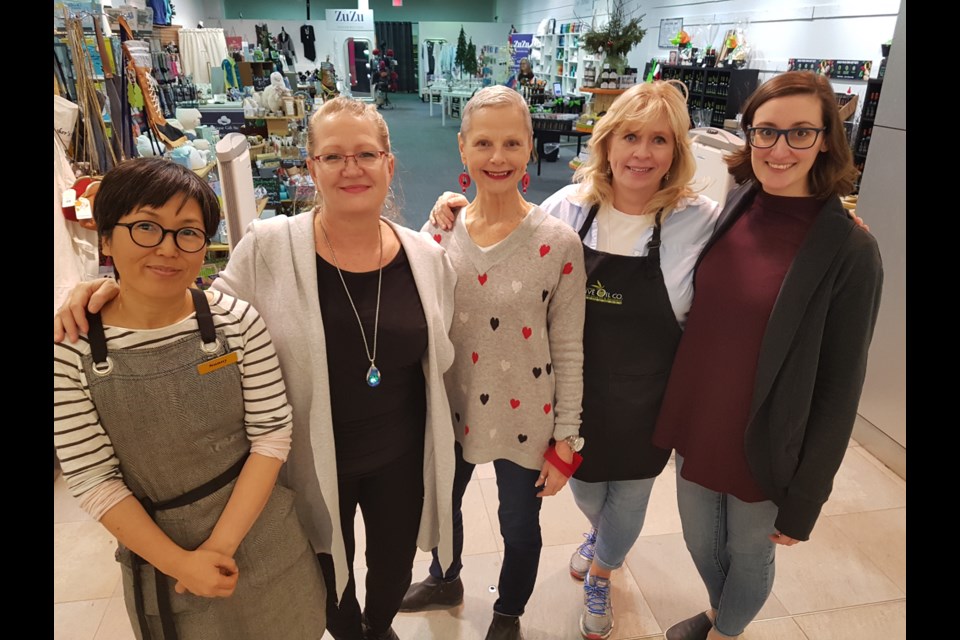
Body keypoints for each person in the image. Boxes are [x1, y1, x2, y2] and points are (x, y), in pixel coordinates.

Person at [54, 97, 459, 640]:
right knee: (325, 571)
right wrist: (113, 290)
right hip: (306, 460)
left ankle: (378, 627)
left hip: (401, 456)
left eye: (366, 154)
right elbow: (198, 309)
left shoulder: (426, 257)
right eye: (333, 156)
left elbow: (445, 352)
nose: (351, 168)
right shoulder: (271, 246)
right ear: (312, 167)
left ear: (389, 163)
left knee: (392, 568)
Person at [427, 80, 721, 640]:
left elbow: (754, 226)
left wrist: (825, 218)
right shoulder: (567, 208)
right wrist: (448, 207)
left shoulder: (697, 218)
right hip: (487, 401)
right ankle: (448, 575)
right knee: (472, 502)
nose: (641, 152)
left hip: (622, 396)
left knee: (602, 505)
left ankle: (586, 578)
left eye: (658, 140)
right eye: (629, 136)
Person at [52, 157, 327, 639]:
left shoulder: (236, 320)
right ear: (106, 238)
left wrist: (217, 549)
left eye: (187, 233)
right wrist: (181, 564)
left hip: (263, 535)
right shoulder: (70, 349)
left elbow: (270, 434)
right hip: (159, 553)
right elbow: (92, 476)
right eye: (145, 228)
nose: (167, 249)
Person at [652, 71, 883, 640]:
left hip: (769, 438)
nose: (779, 149)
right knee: (699, 540)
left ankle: (727, 630)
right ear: (748, 135)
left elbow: (840, 383)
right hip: (699, 415)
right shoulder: (736, 202)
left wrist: (808, 496)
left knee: (749, 552)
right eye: (765, 132)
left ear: (827, 138)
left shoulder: (851, 249)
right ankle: (718, 609)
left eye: (800, 133)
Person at [400, 85, 586, 640]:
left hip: (526, 414)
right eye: (484, 143)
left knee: (519, 527)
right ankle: (445, 576)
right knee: (442, 505)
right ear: (462, 148)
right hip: (451, 406)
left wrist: (568, 440)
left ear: (530, 146)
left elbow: (570, 346)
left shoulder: (558, 243)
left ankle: (508, 612)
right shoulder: (439, 233)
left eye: (511, 142)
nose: (497, 157)